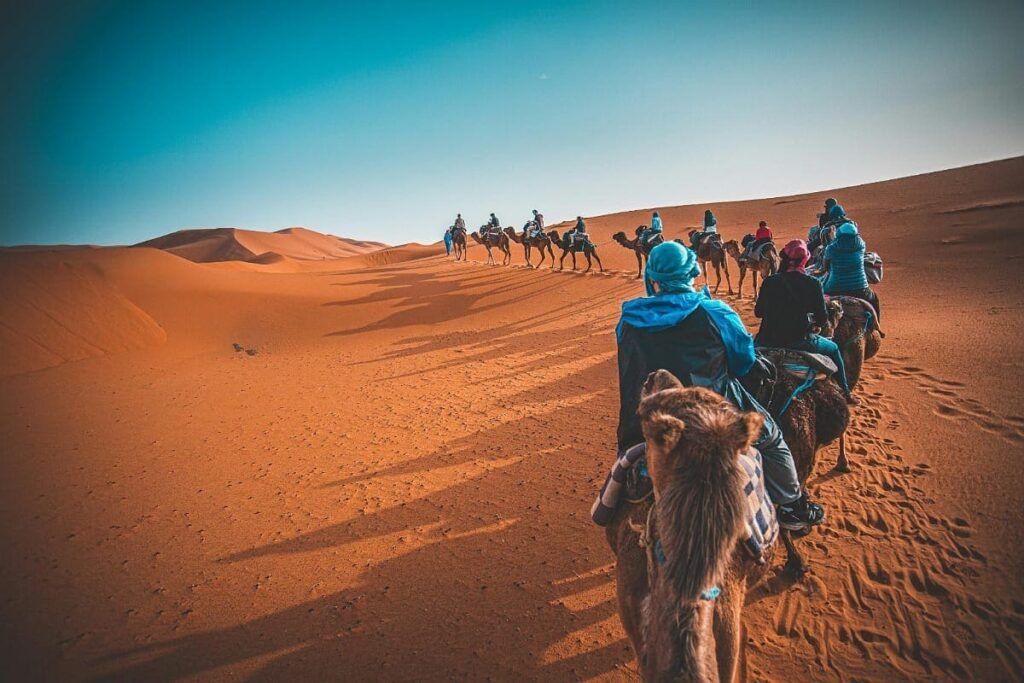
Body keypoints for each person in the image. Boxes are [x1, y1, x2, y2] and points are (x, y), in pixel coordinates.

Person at [615, 241, 825, 530]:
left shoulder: (627, 319)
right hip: (713, 418)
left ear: (651, 277)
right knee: (773, 440)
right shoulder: (716, 312)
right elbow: (743, 363)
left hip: (644, 419)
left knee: (630, 456)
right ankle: (792, 507)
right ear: (693, 272)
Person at [754, 240, 859, 405]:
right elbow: (823, 319)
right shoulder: (813, 284)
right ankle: (845, 392)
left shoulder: (770, 281)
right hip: (800, 342)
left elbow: (758, 312)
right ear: (805, 261)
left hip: (767, 340)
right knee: (834, 349)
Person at [820, 221, 881, 321]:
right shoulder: (861, 245)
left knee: (819, 300)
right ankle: (877, 326)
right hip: (860, 288)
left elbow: (825, 267)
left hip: (834, 288)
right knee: (874, 299)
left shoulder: (831, 248)